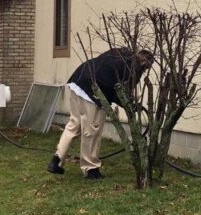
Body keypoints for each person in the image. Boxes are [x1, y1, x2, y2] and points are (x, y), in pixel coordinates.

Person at [47, 48, 154, 179]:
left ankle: (56, 160)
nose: (144, 72)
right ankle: (90, 169)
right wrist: (131, 105)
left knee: (74, 124)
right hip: (92, 92)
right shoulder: (131, 70)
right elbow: (120, 93)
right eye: (145, 69)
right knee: (92, 131)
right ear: (144, 65)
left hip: (79, 80)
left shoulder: (122, 52)